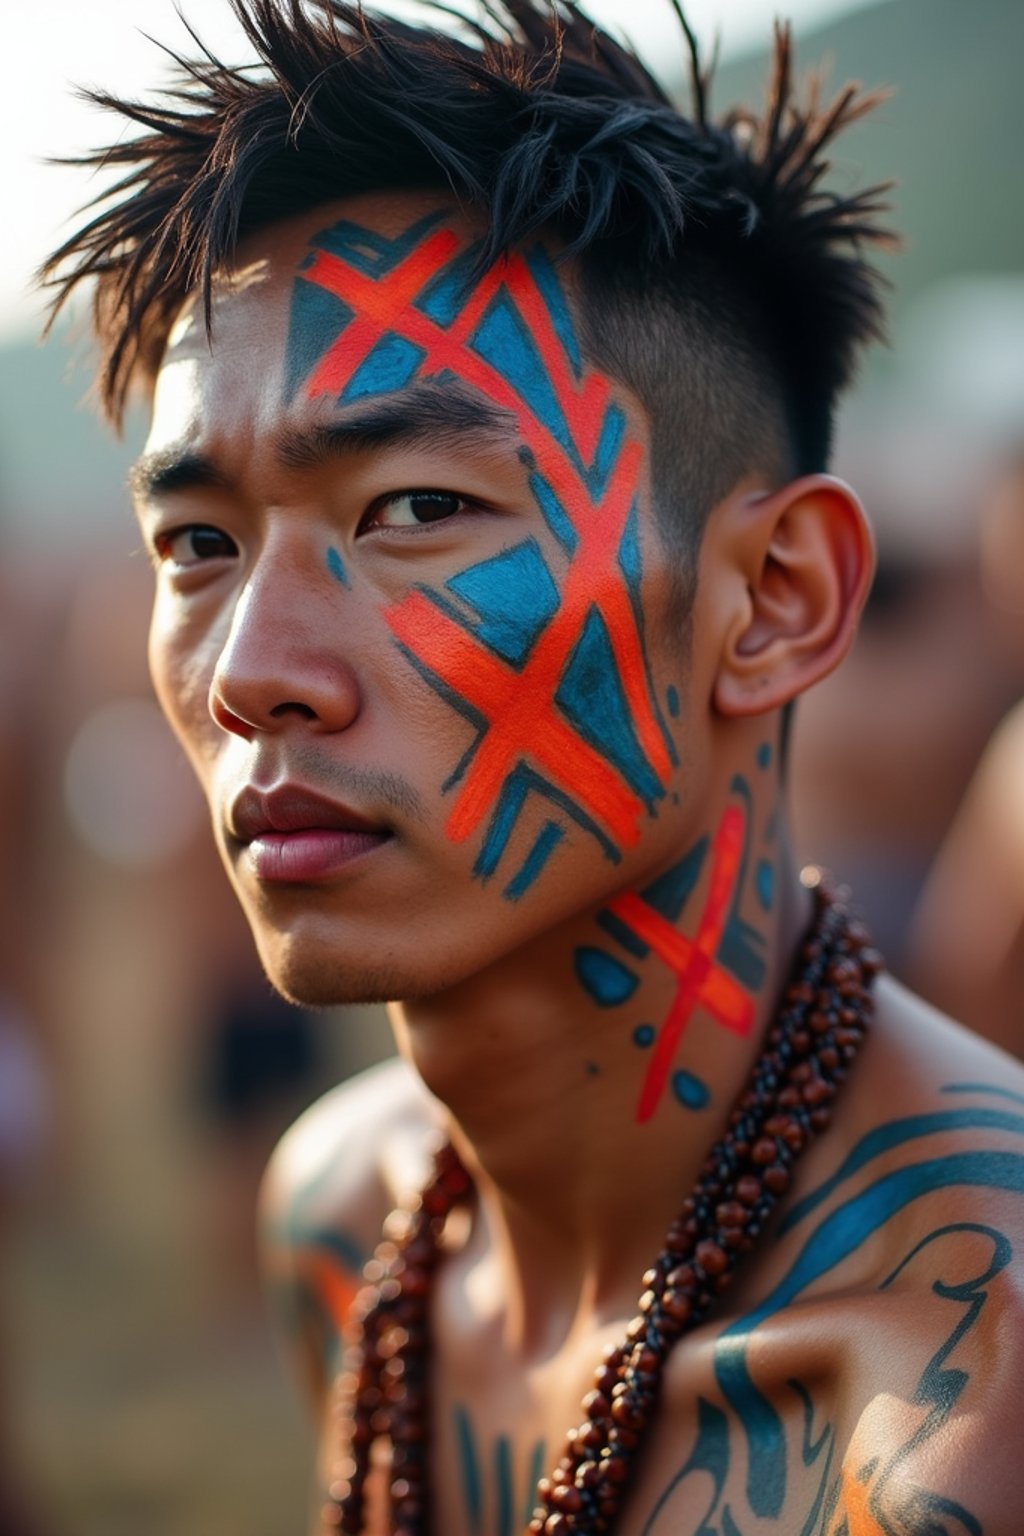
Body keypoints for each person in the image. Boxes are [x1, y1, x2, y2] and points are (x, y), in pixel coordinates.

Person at [43, 3, 1024, 1532]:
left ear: (772, 601)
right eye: (200, 544)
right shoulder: (352, 1225)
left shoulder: (961, 1399)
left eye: (417, 508)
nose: (248, 675)